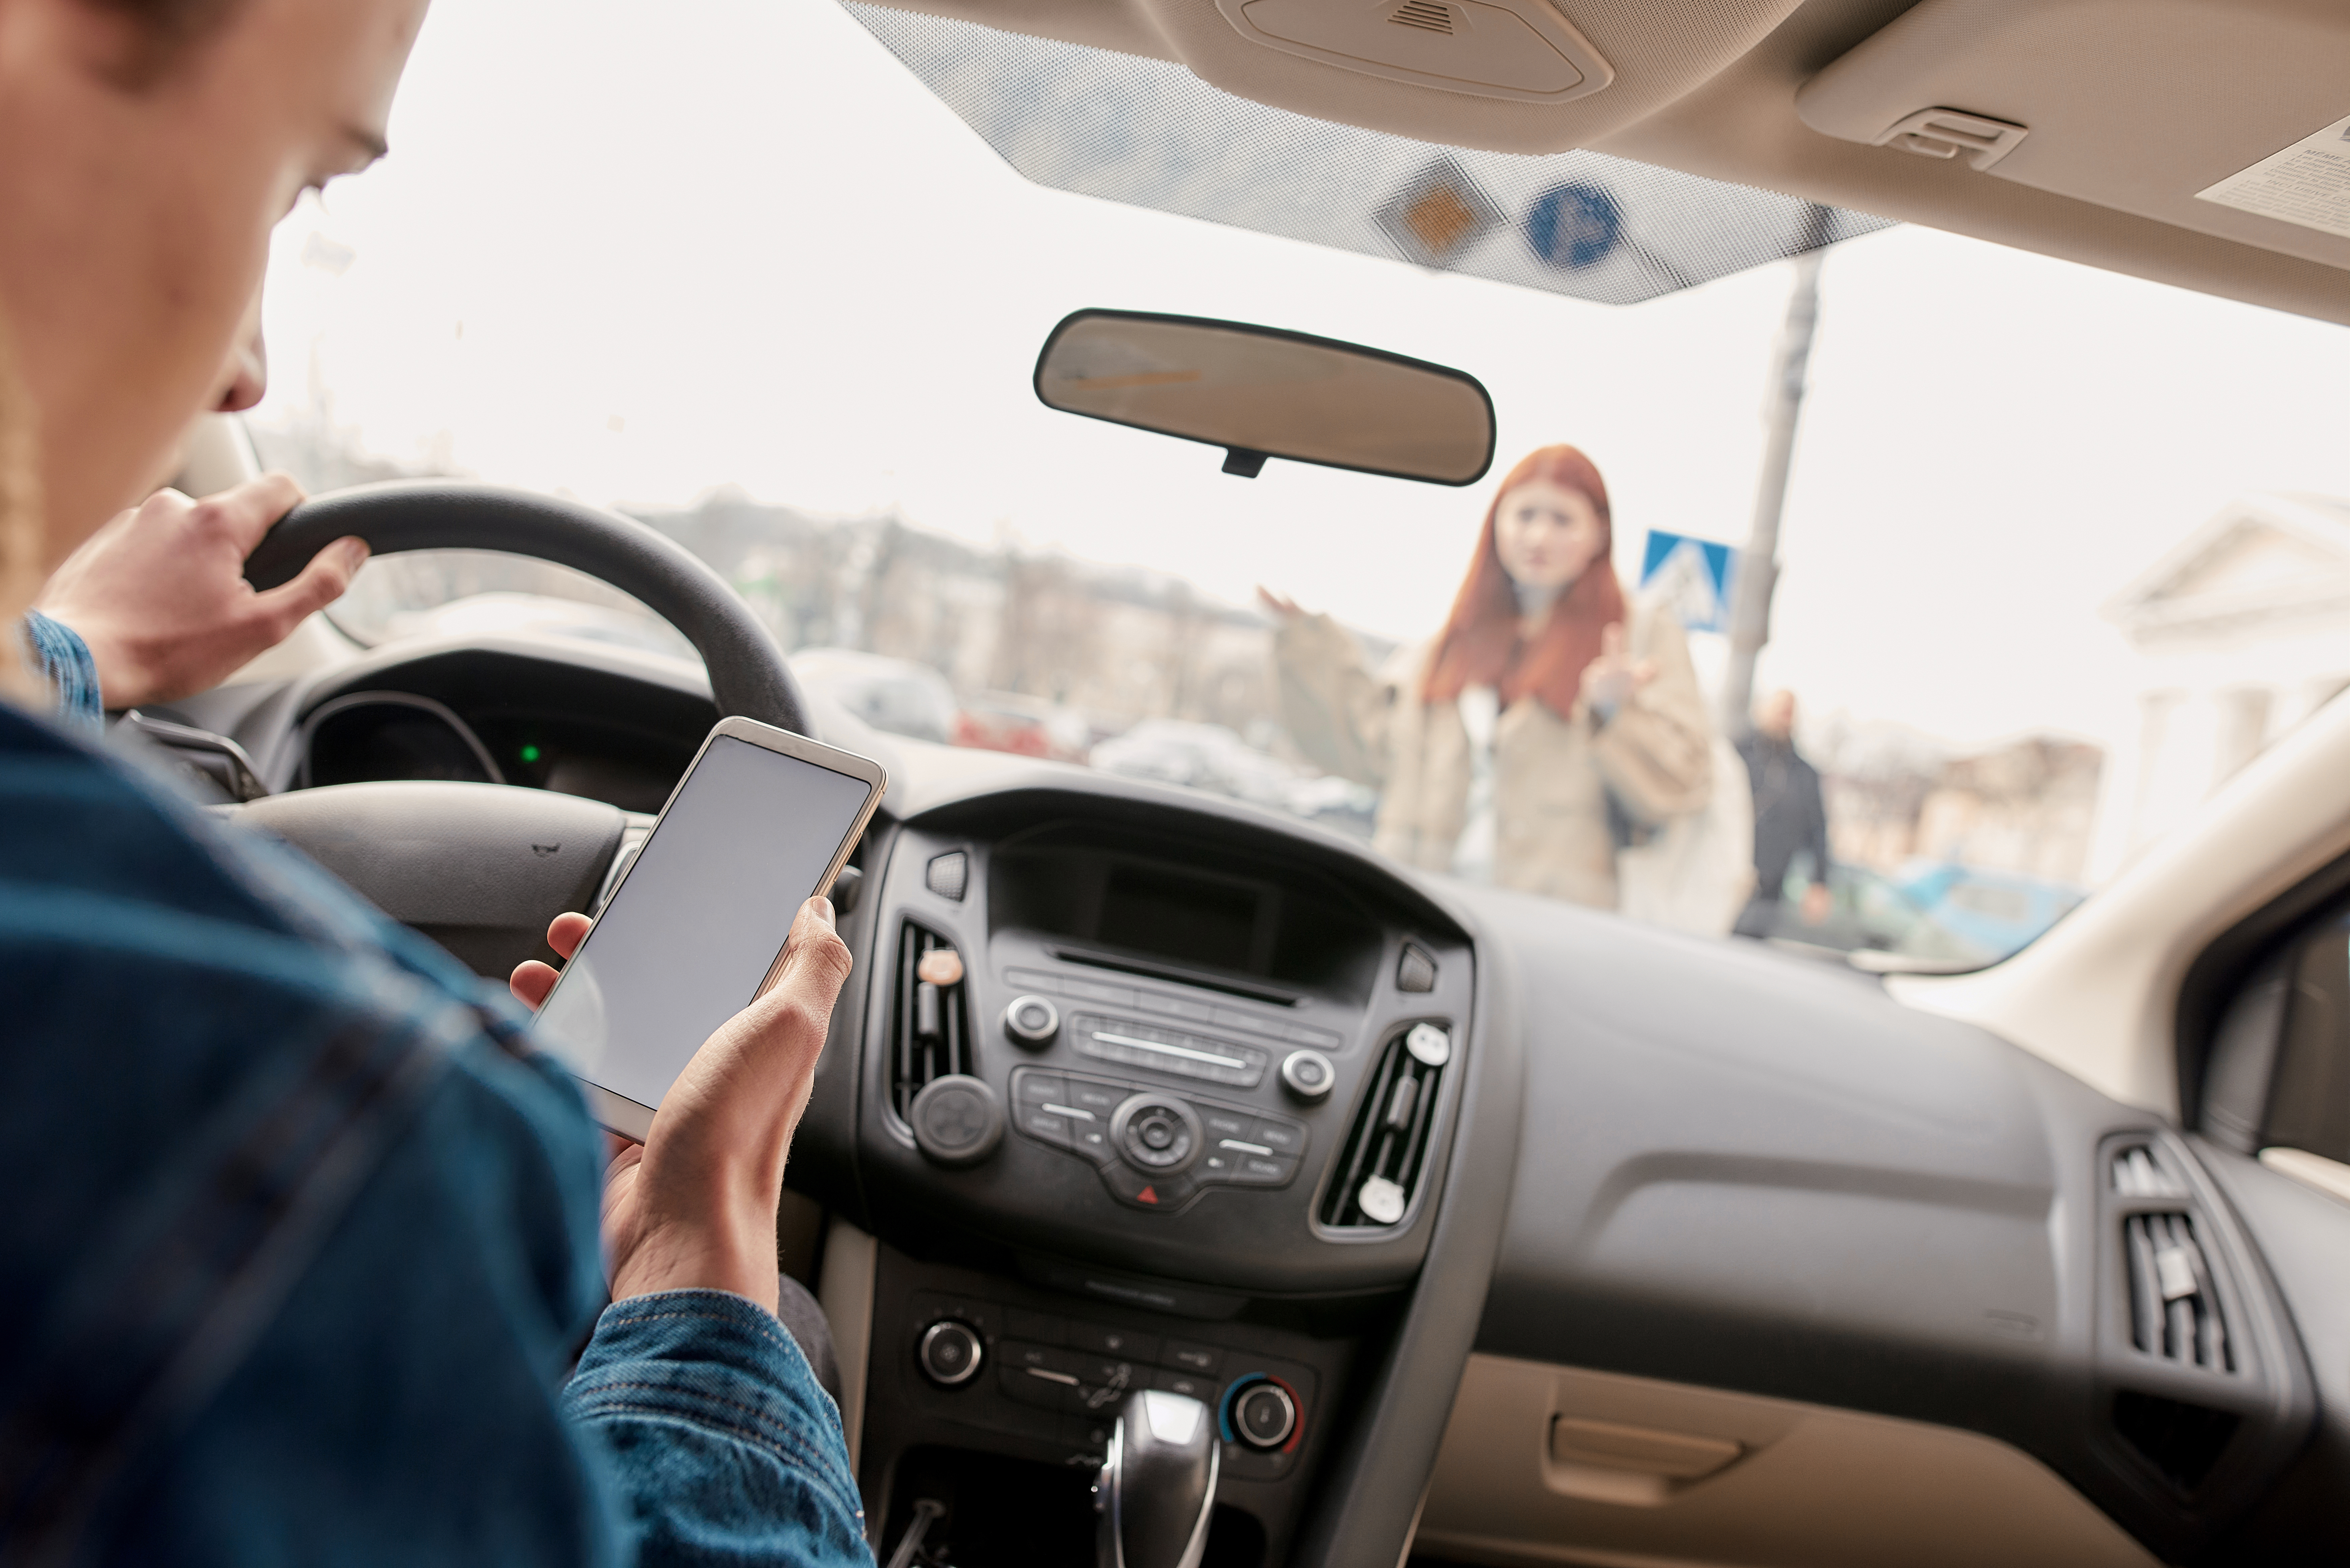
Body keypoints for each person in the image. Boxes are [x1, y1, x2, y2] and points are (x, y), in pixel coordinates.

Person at [0, 3, 870, 1565]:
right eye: (296, 187)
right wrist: (701, 1268)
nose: (250, 364)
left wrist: (62, 650)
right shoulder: (322, 1135)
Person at [1262, 443, 1712, 911]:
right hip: (1426, 912)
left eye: (1562, 520)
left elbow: (1682, 784)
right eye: (1525, 515)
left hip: (1558, 929)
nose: (1538, 536)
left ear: (1599, 534)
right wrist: (1306, 642)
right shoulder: (1451, 643)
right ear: (1496, 522)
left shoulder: (1639, 636)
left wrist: (1616, 712)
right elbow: (1372, 747)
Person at [1734, 688, 1834, 939]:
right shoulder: (1737, 754)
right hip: (1725, 877)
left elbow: (1818, 831)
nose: (1784, 716)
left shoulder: (1804, 774)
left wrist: (1819, 884)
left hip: (1769, 891)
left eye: (1789, 712)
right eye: (1779, 708)